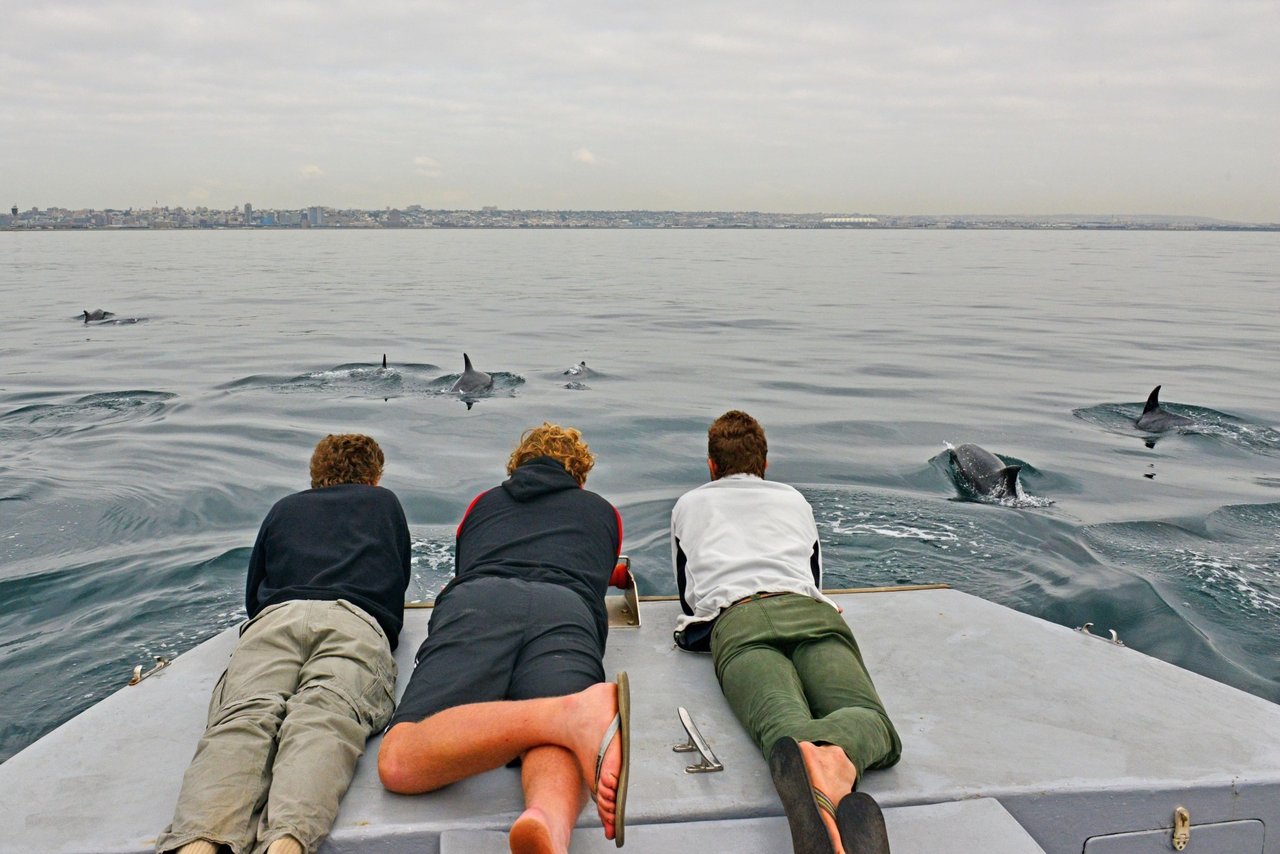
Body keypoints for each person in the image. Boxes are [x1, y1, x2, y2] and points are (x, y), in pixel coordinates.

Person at [377, 423, 630, 854]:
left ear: (517, 465)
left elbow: (468, 561)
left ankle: (565, 715)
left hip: (479, 601)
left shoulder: (484, 503)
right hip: (565, 608)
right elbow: (599, 568)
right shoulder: (603, 511)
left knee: (400, 762)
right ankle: (545, 817)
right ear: (580, 475)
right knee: (557, 737)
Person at [156, 434, 412, 854]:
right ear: (376, 477)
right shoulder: (384, 504)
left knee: (243, 716)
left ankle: (198, 844)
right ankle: (286, 845)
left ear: (315, 476)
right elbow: (395, 580)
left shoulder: (284, 508)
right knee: (326, 714)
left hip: (278, 617)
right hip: (353, 620)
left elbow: (254, 592)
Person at [670, 411, 900, 854]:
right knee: (874, 721)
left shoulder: (689, 504)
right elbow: (815, 578)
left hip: (739, 621)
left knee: (783, 726)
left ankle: (816, 762)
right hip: (810, 614)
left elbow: (688, 600)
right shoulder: (794, 499)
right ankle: (839, 758)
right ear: (766, 465)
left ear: (711, 467)